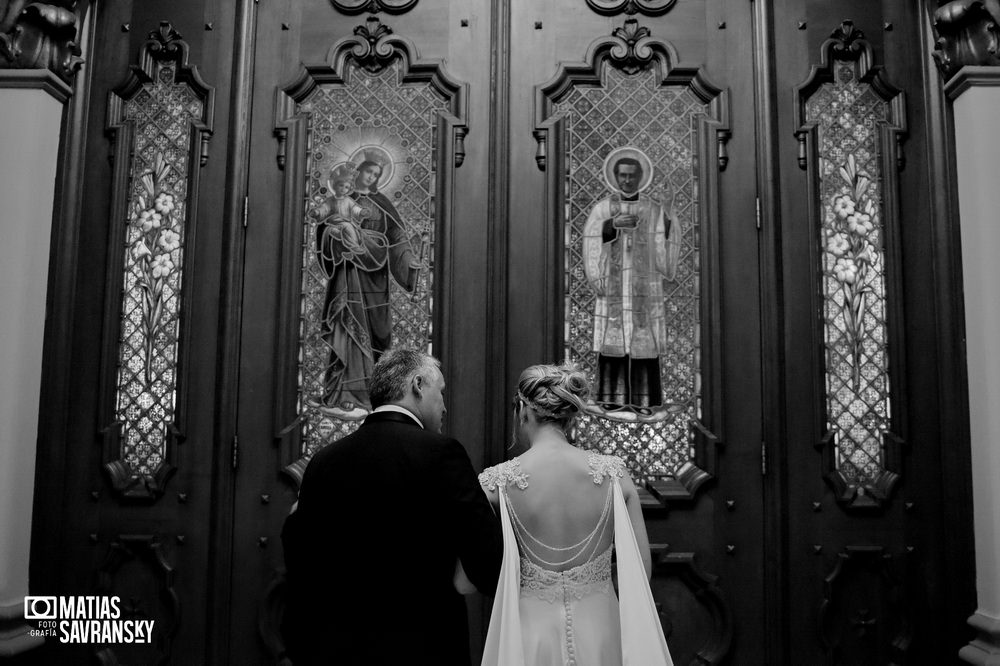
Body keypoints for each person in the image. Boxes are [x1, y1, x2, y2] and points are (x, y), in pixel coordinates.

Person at [281, 349, 503, 665]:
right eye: (440, 393)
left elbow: (301, 559)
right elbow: (486, 561)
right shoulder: (441, 453)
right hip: (424, 647)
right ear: (417, 385)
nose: (444, 407)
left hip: (337, 648)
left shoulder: (324, 461)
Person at [474, 363, 673, 666]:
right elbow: (639, 573)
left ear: (524, 411)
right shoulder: (614, 475)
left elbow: (472, 572)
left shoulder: (495, 483)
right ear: (567, 416)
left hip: (530, 635)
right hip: (602, 630)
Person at [313, 156, 422, 411]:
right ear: (358, 171)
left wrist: (409, 263)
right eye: (368, 172)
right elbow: (324, 230)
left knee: (376, 334)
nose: (371, 177)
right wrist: (335, 237)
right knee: (345, 326)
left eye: (376, 175)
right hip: (347, 273)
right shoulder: (340, 200)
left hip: (374, 279)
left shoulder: (382, 204)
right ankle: (341, 393)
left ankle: (376, 397)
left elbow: (397, 238)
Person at [582, 154, 680, 411]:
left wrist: (668, 212)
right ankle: (610, 400)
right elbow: (591, 238)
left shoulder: (651, 209)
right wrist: (611, 225)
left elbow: (664, 247)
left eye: (631, 175)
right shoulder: (603, 208)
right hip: (614, 289)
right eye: (622, 175)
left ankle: (644, 402)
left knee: (643, 341)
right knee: (612, 340)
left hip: (642, 292)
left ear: (640, 178)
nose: (626, 180)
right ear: (615, 177)